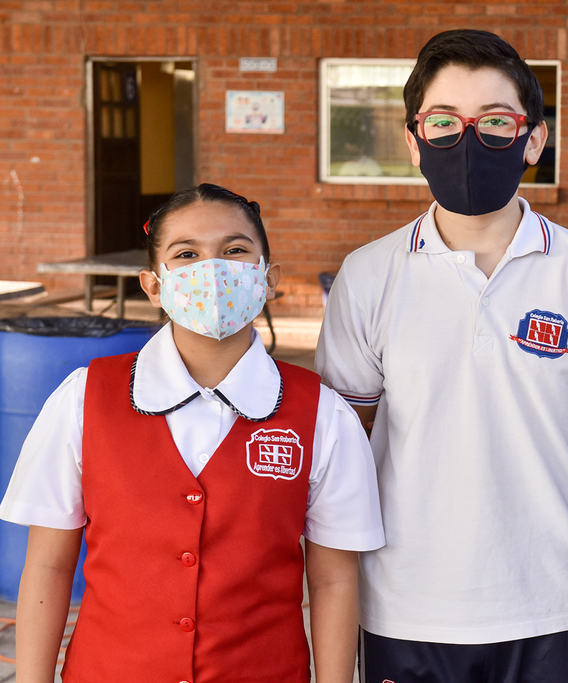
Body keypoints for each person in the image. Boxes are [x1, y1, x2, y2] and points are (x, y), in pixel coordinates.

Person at [315, 29, 568, 683]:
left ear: (534, 138)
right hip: (405, 604)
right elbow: (346, 438)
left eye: (494, 122)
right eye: (445, 122)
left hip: (552, 603)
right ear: (413, 141)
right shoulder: (368, 275)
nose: (468, 141)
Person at [1, 184, 385, 683]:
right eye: (186, 254)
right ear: (153, 285)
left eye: (235, 250)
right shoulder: (83, 398)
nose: (213, 269)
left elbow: (334, 580)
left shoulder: (322, 414)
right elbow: (49, 567)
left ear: (268, 279)